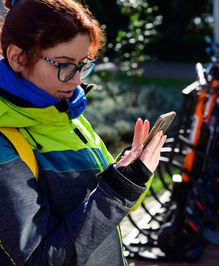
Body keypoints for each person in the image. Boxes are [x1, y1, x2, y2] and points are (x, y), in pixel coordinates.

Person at [0, 0, 167, 265]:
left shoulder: (64, 111)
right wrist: (118, 191)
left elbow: (105, 215)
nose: (78, 80)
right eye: (64, 65)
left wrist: (130, 175)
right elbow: (40, 260)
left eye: (82, 64)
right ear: (18, 57)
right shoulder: (4, 142)